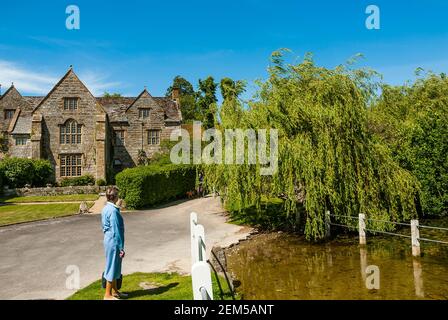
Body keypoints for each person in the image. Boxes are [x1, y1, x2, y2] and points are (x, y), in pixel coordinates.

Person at [101, 186, 127, 300]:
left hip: (108, 239)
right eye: (117, 195)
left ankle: (115, 291)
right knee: (112, 265)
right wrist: (121, 247)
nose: (118, 197)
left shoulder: (106, 208)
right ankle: (107, 294)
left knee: (115, 266)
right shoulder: (113, 211)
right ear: (115, 197)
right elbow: (116, 230)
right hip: (113, 241)